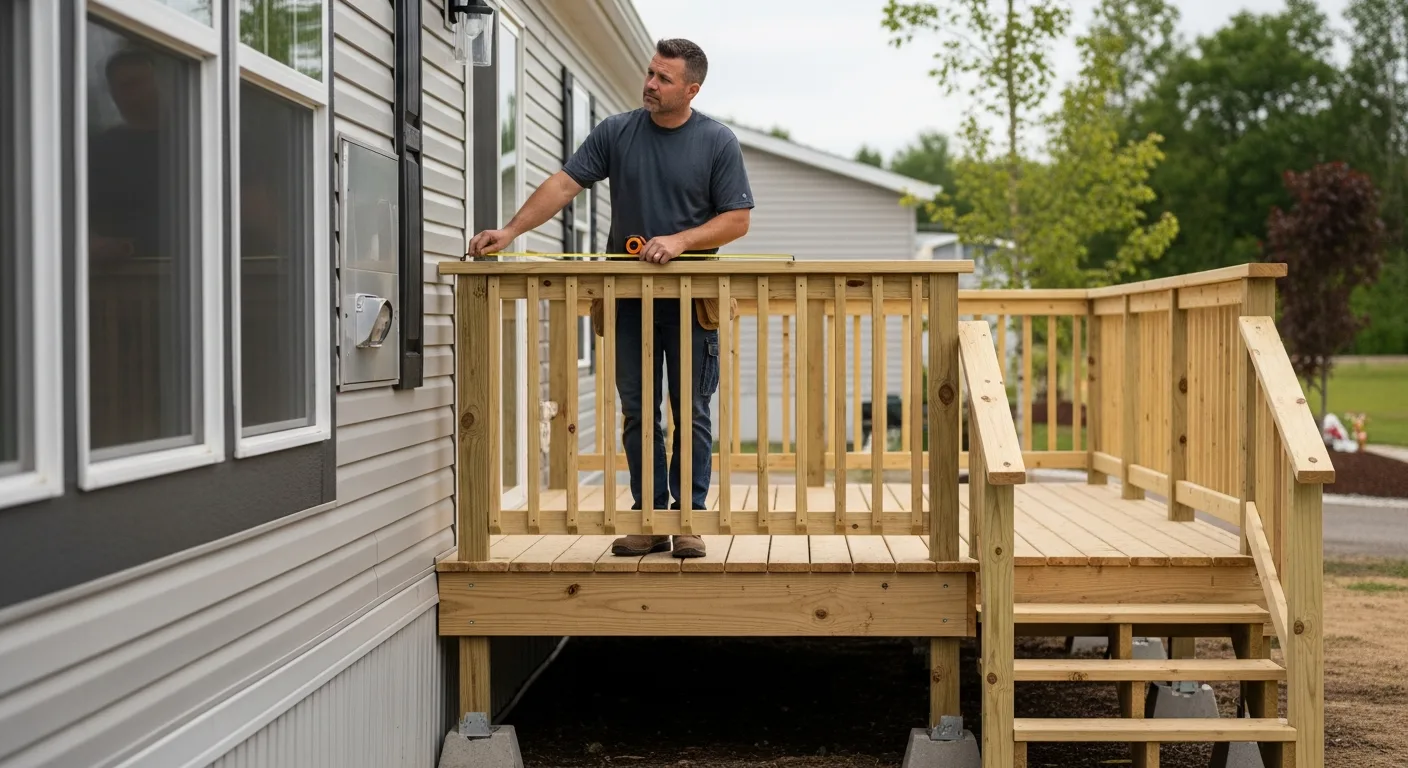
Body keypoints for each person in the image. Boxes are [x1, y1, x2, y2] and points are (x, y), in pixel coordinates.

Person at [466, 38, 753, 559]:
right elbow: (563, 185)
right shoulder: (617, 133)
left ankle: (686, 519)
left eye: (664, 79)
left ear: (691, 89)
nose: (650, 84)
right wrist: (510, 232)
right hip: (628, 303)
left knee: (691, 411)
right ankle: (648, 520)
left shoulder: (717, 142)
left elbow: (737, 219)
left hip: (693, 304)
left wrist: (682, 241)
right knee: (639, 411)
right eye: (649, 73)